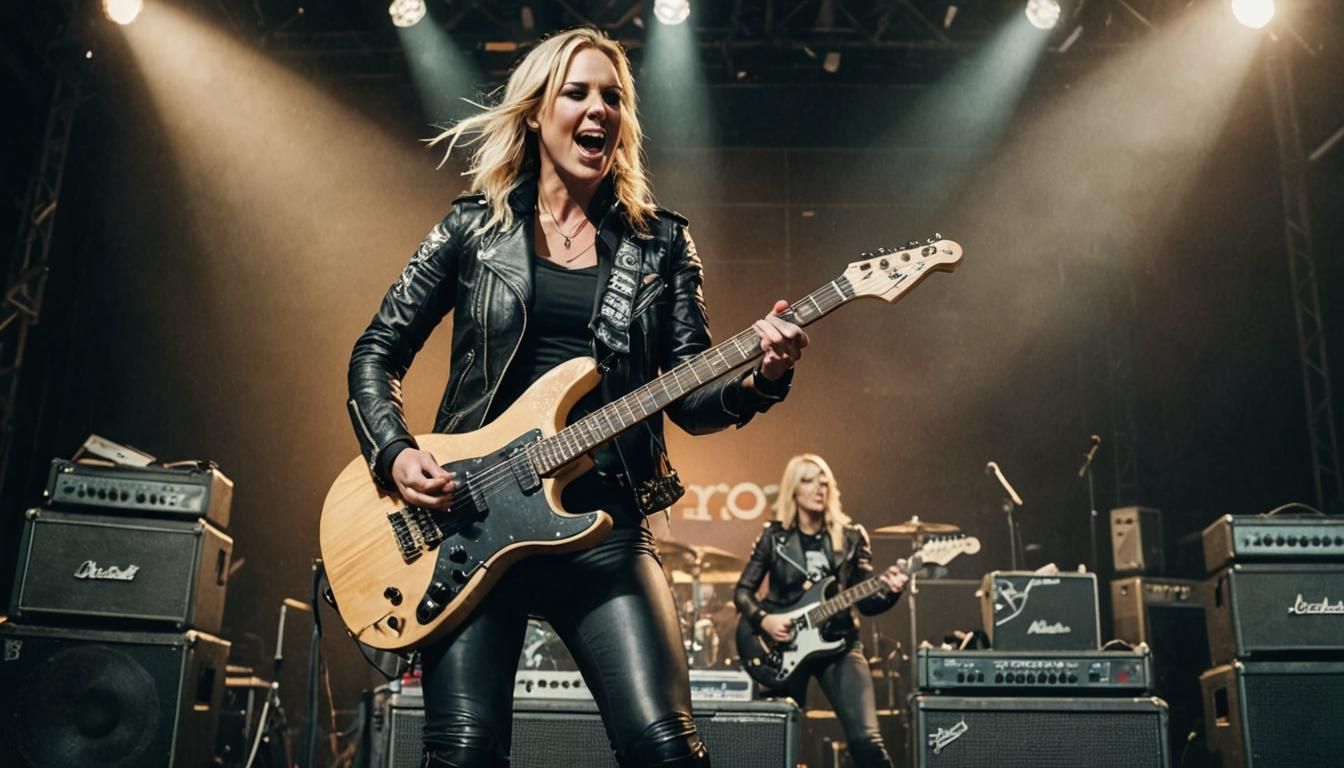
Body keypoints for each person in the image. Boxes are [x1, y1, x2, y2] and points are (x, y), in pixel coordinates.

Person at [346, 27, 808, 768]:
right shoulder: (474, 228)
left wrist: (765, 376)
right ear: (536, 111)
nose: (600, 110)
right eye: (579, 92)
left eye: (614, 98)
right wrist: (396, 454)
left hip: (605, 524)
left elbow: (688, 394)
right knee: (463, 752)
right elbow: (375, 353)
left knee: (667, 750)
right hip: (468, 524)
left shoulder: (659, 246)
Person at [733, 454, 908, 768]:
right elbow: (742, 592)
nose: (819, 488)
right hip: (782, 648)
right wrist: (766, 620)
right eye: (809, 480)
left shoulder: (852, 537)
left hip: (839, 645)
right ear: (793, 490)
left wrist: (892, 590)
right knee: (774, 745)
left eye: (825, 481)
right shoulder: (775, 537)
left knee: (868, 744)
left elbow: (867, 602)